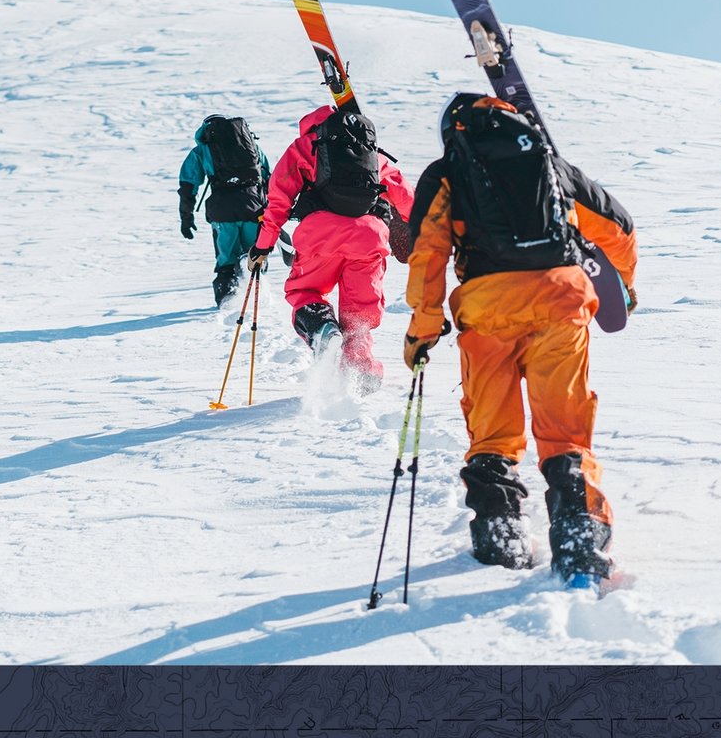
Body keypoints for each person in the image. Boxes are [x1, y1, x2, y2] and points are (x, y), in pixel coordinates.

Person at [402, 92, 638, 588]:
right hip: (560, 301)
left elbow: (426, 253)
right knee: (565, 434)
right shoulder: (549, 164)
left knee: (492, 434)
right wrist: (626, 285)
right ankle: (581, 543)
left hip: (487, 311)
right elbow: (618, 227)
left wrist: (423, 331)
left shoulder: (446, 172)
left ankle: (500, 536)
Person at [246, 104, 413, 387]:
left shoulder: (305, 146)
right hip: (369, 238)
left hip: (320, 236)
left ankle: (322, 328)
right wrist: (434, 232)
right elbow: (406, 195)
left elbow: (278, 202)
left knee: (305, 291)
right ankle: (362, 368)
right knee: (359, 311)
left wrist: (262, 246)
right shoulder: (369, 151)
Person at [178, 115, 271, 306]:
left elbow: (188, 185)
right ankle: (258, 298)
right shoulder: (252, 146)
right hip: (253, 209)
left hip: (222, 211)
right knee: (254, 254)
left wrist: (186, 217)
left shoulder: (203, 150)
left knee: (226, 262)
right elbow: (269, 178)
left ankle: (227, 303)